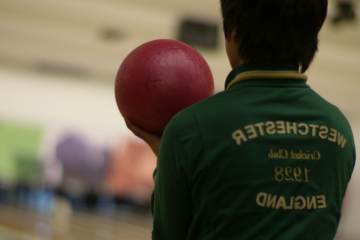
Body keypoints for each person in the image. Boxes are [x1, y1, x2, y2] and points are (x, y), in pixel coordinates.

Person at [126, 0, 356, 239]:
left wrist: (168, 158)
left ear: (232, 32)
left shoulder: (190, 128)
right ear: (313, 35)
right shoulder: (339, 129)